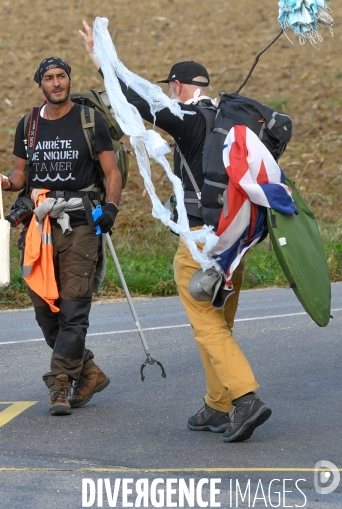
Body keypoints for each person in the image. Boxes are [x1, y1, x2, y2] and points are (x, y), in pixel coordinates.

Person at [80, 22, 271, 442]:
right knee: (220, 322)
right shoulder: (229, 118)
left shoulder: (188, 119)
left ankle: (244, 399)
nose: (166, 92)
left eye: (170, 86)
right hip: (236, 239)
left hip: (201, 242)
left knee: (206, 323)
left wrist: (103, 64)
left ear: (179, 86)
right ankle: (219, 405)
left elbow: (138, 105)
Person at [0, 56, 122, 416]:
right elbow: (20, 175)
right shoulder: (30, 124)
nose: (56, 83)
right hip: (38, 226)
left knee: (73, 306)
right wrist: (5, 182)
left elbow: (110, 171)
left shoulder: (89, 120)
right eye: (49, 78)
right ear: (40, 85)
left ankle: (60, 384)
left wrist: (110, 208)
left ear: (69, 80)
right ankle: (89, 372)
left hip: (81, 222)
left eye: (62, 76)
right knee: (44, 309)